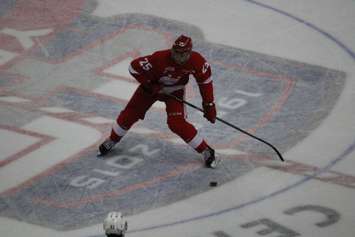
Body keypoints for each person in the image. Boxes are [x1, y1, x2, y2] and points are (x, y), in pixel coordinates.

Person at [98, 34, 218, 168]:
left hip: (174, 92)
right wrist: (151, 85)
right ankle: (112, 140)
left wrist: (209, 104)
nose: (178, 56)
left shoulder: (198, 61)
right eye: (175, 52)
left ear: (189, 52)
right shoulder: (159, 58)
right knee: (129, 115)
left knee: (176, 123)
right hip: (150, 90)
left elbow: (205, 82)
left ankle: (206, 150)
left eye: (182, 54)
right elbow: (133, 67)